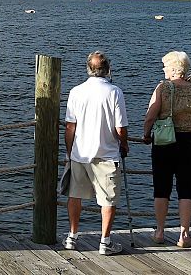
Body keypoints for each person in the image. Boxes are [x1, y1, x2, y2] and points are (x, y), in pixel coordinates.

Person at [63, 51, 128, 255]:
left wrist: (69, 150)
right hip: (106, 153)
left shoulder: (76, 92)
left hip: (79, 153)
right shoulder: (114, 92)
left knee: (75, 196)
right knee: (108, 200)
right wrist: (124, 145)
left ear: (88, 69)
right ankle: (105, 241)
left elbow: (69, 127)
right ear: (108, 69)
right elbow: (120, 128)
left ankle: (72, 237)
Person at [141, 50, 191, 248]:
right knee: (187, 188)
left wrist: (146, 134)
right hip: (189, 142)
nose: (163, 69)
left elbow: (151, 116)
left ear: (173, 69)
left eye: (165, 66)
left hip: (164, 142)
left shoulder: (162, 88)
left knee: (161, 187)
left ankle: (160, 231)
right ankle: (184, 235)